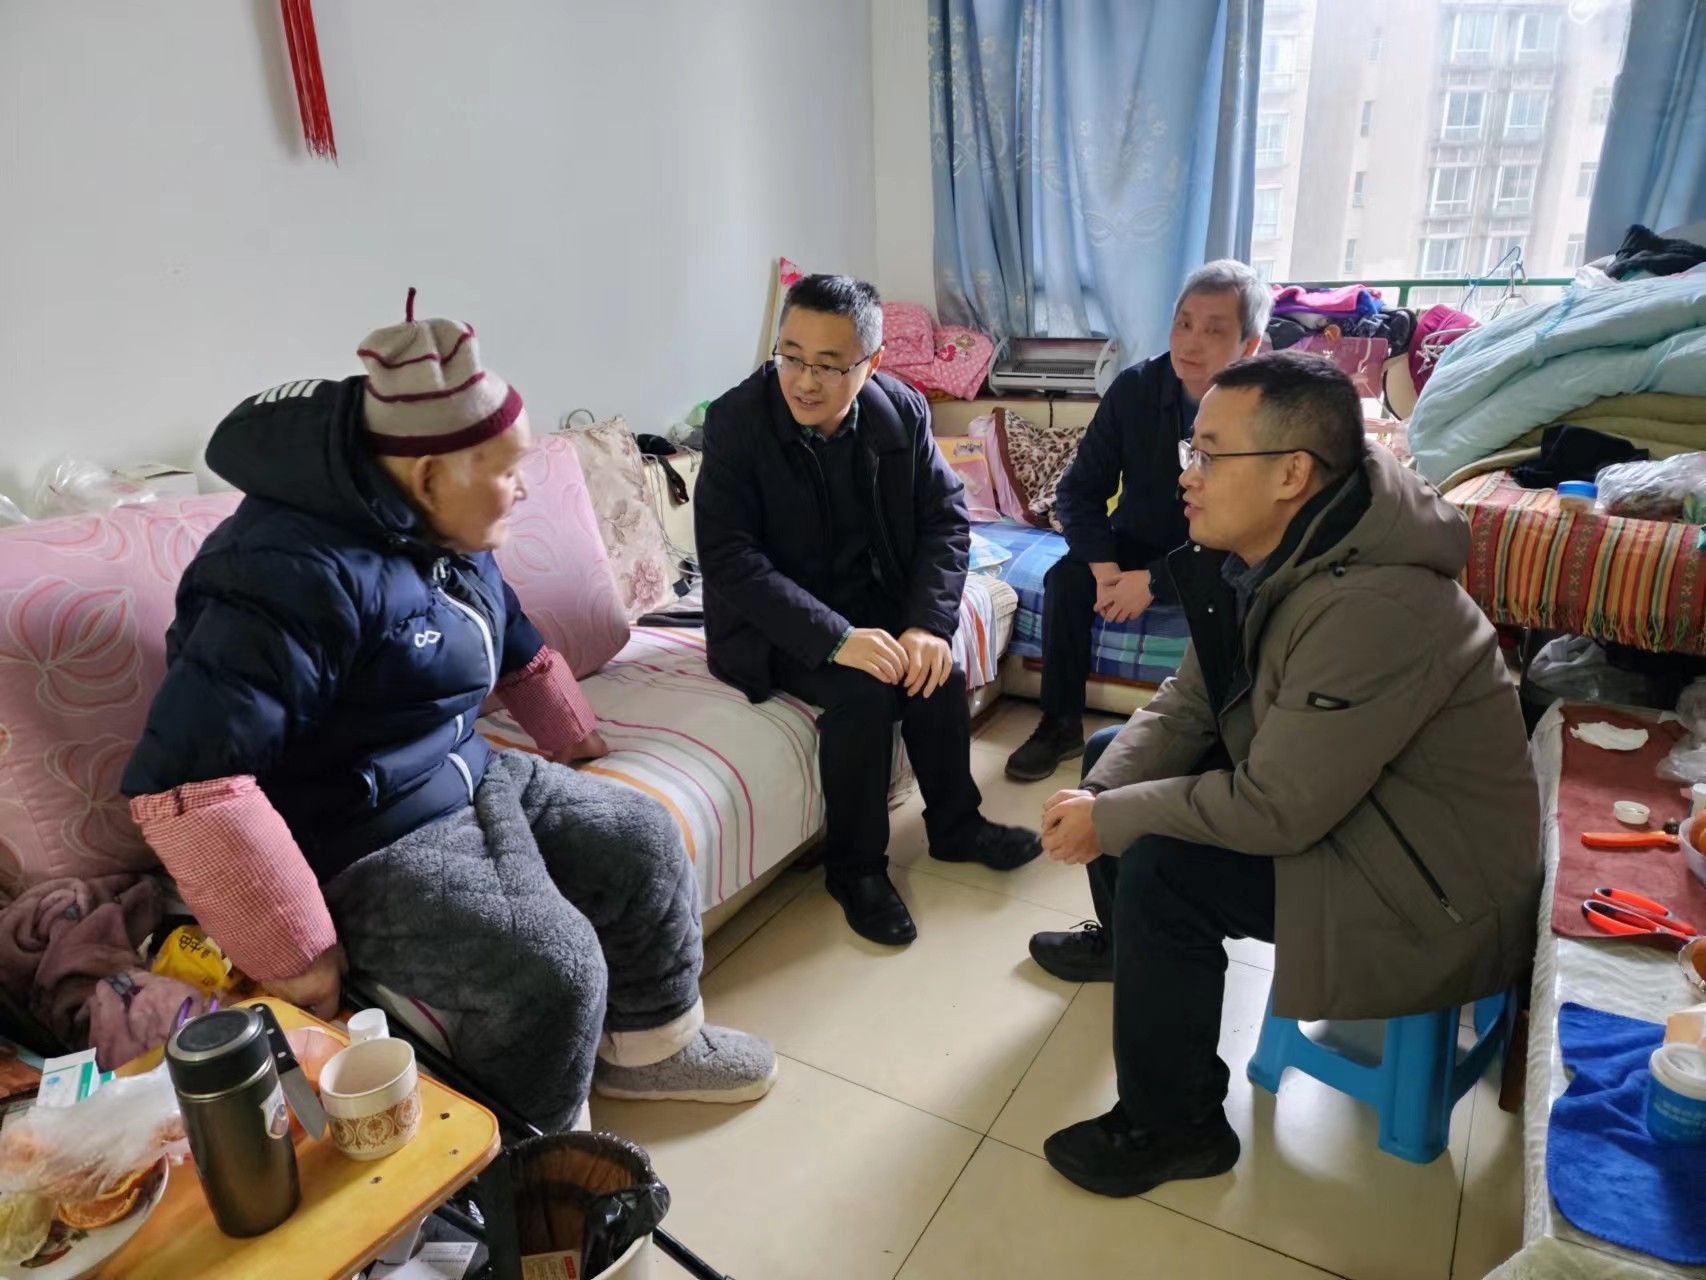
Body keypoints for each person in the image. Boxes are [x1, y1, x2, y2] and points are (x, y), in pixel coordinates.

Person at [122, 295, 776, 1131]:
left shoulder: (440, 527)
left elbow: (505, 631)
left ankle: (654, 1052)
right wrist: (295, 952)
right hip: (352, 832)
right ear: (430, 476)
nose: (523, 486)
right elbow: (191, 784)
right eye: (506, 470)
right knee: (551, 967)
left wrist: (572, 734)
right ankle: (529, 1162)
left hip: (463, 769)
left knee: (641, 839)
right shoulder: (280, 571)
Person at [1031, 352, 1540, 1198]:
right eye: (1190, 450)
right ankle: (1137, 957)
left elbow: (1277, 809)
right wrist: (1098, 796)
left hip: (1432, 886)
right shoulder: (1269, 553)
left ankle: (1178, 1127)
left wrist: (1113, 822)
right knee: (1109, 765)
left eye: (1209, 455)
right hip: (1364, 810)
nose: (1186, 476)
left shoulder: (1373, 606)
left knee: (1161, 868)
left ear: (1291, 474)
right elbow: (1191, 702)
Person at [696, 275, 1041, 946]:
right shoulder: (738, 421)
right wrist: (835, 639)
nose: (804, 380)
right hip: (773, 622)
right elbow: (731, 560)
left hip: (871, 603)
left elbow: (945, 520)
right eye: (791, 356)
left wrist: (926, 625)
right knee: (863, 693)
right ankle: (855, 870)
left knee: (934, 668)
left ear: (872, 362)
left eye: (829, 364)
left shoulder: (900, 411)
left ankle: (957, 826)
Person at [1005, 260, 1268, 783]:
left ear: (1250, 345)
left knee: (1239, 594)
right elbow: (1079, 491)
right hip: (1138, 537)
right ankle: (1060, 723)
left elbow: (1254, 526)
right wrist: (1106, 572)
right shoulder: (1135, 389)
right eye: (1183, 323)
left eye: (1214, 330)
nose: (1191, 342)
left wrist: (1154, 582)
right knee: (1067, 579)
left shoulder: (1264, 407)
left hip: (1222, 550)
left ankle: (1220, 736)